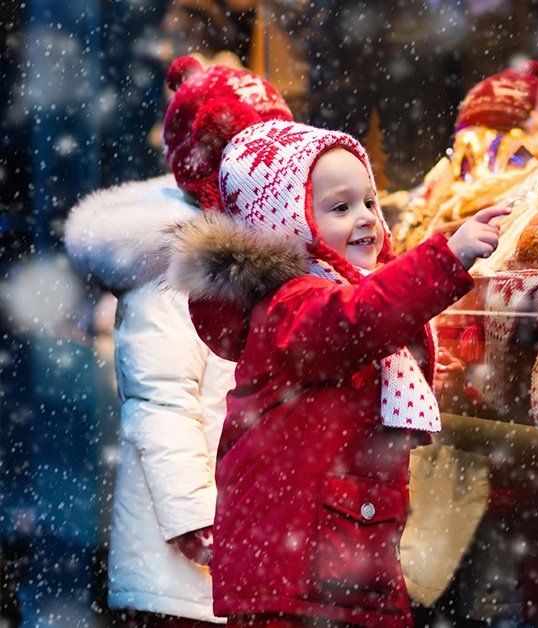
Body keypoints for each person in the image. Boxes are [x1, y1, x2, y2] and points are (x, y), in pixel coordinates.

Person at [166, 54, 508, 625]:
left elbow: (364, 341)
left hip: (340, 550)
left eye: (370, 201)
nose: (368, 218)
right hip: (301, 566)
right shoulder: (292, 304)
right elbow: (357, 321)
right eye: (340, 207)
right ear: (287, 222)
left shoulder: (334, 297)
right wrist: (446, 257)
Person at [62, 58, 293, 626]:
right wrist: (197, 520)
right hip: (190, 556)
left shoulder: (252, 250)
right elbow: (160, 402)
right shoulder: (177, 265)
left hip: (241, 529)